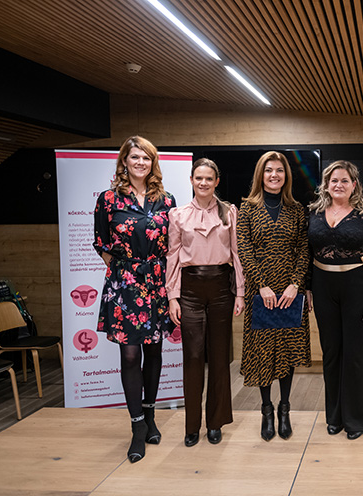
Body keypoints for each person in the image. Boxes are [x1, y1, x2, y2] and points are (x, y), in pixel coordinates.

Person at [93, 136, 176, 463]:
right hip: (125, 285)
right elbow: (100, 242)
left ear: (152, 163)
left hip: (157, 283)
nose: (140, 162)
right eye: (135, 157)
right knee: (130, 356)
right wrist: (122, 270)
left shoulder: (166, 200)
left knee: (154, 351)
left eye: (146, 157)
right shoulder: (108, 199)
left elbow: (174, 244)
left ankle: (151, 415)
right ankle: (137, 427)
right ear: (124, 162)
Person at [166, 158, 245, 448]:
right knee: (193, 357)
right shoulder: (178, 215)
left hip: (221, 288)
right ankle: (191, 426)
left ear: (216, 182)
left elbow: (236, 253)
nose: (203, 183)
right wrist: (172, 296)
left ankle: (215, 423)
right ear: (191, 180)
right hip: (190, 291)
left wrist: (240, 292)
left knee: (220, 357)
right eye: (198, 178)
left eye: (209, 178)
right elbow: (172, 256)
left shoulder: (229, 212)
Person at [237, 151, 311, 441]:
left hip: (290, 292)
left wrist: (295, 284)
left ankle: (284, 409)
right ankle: (266, 410)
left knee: (287, 351)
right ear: (261, 174)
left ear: (286, 175)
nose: (274, 175)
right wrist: (262, 285)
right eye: (269, 170)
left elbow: (304, 249)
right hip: (261, 292)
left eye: (279, 170)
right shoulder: (247, 208)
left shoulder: (296, 209)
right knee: (264, 352)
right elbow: (244, 249)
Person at [307, 160, 363, 440]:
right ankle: (334, 417)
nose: (338, 185)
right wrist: (307, 288)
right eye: (334, 180)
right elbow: (306, 253)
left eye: (344, 180)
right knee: (331, 353)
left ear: (354, 185)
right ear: (326, 185)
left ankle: (355, 420)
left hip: (355, 286)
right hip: (322, 285)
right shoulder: (313, 214)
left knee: (355, 354)